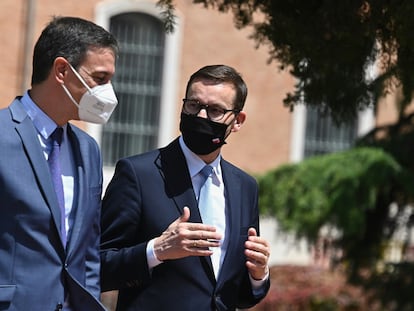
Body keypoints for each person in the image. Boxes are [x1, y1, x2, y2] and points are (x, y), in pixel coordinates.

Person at [100, 64, 271, 311]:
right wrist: (156, 250)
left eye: (214, 110)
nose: (201, 116)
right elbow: (97, 266)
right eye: (193, 105)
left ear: (237, 121)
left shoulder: (245, 186)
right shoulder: (138, 174)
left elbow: (233, 294)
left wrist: (258, 274)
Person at [0, 16, 119, 310]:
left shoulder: (88, 149)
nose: (108, 92)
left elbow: (88, 248)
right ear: (62, 71)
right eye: (100, 78)